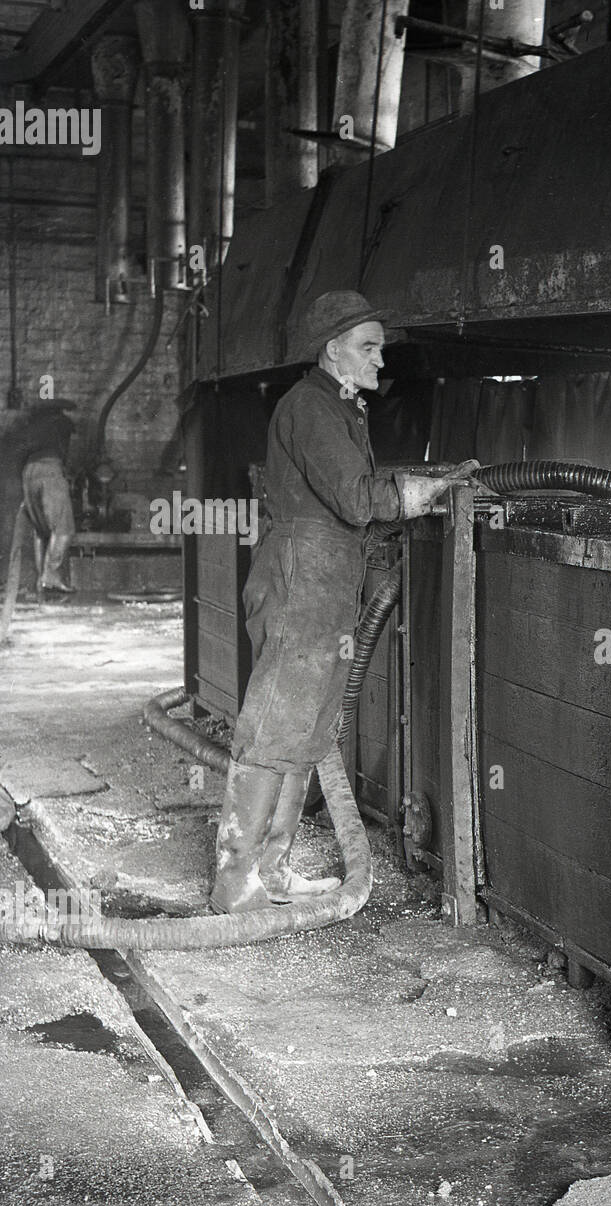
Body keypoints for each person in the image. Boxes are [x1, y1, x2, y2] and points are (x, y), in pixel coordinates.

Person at [211, 291, 477, 914]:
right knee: (275, 724)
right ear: (333, 351)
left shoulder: (342, 409)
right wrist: (423, 489)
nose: (381, 358)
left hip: (326, 584)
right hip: (301, 584)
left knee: (305, 730)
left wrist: (422, 492)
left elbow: (350, 508)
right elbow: (357, 500)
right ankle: (234, 882)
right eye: (369, 346)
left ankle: (270, 871)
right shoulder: (309, 408)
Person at [14, 400, 77, 595]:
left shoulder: (30, 425)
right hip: (50, 469)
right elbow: (69, 453)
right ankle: (52, 577)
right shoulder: (62, 423)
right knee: (64, 528)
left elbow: (19, 453)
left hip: (28, 473)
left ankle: (41, 578)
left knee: (41, 529)